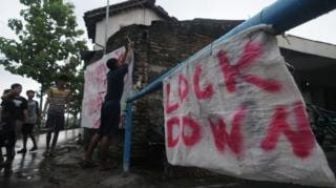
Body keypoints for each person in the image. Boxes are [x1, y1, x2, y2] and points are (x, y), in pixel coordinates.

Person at [82, 43, 132, 169]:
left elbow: (121, 61)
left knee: (100, 132)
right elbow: (127, 61)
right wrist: (130, 48)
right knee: (107, 135)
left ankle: (87, 158)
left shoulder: (110, 73)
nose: (120, 63)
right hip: (113, 105)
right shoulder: (119, 72)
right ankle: (102, 163)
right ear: (116, 65)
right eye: (118, 62)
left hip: (105, 105)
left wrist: (124, 51)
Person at [0, 85, 27, 176]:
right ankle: (4, 160)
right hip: (5, 123)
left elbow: (24, 112)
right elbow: (2, 110)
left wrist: (23, 122)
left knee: (10, 144)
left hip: (14, 123)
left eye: (20, 88)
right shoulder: (6, 100)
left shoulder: (21, 100)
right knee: (6, 143)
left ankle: (8, 162)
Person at [42, 75, 70, 156]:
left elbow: (67, 101)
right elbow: (48, 100)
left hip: (60, 113)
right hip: (52, 112)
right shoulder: (51, 89)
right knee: (49, 130)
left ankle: (52, 149)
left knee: (57, 131)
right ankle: (47, 149)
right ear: (57, 81)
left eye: (64, 81)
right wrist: (44, 111)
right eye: (61, 80)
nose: (63, 82)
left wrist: (67, 108)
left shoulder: (67, 91)